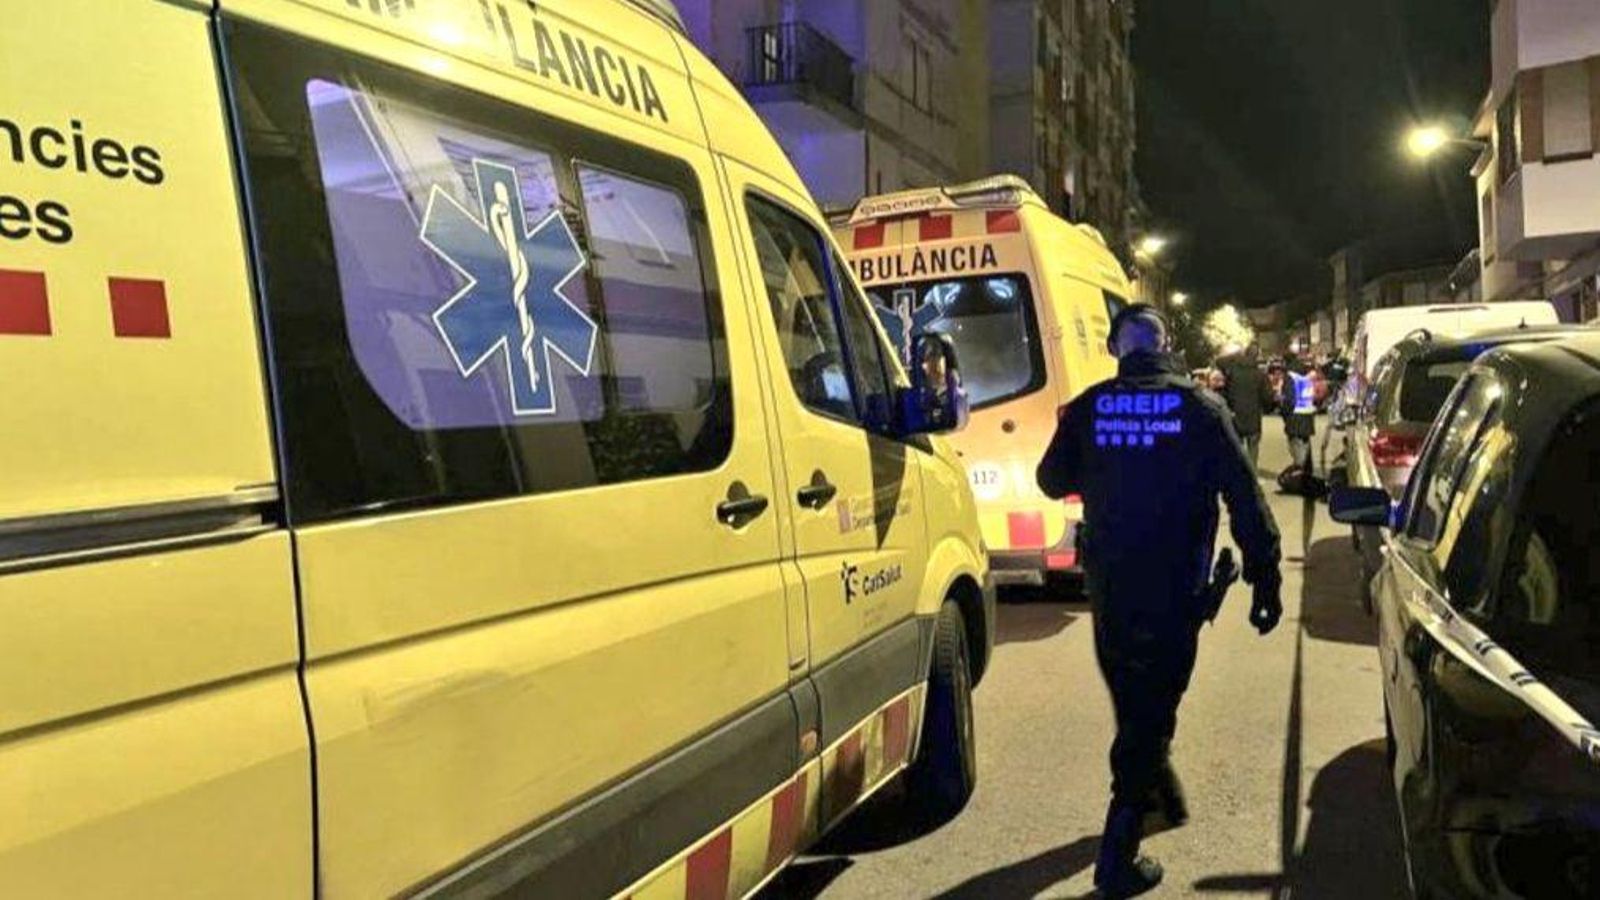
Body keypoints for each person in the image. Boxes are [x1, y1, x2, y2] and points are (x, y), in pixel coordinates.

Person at [1037, 304, 1283, 898]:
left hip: (1112, 588)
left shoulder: (1092, 406)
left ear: (1116, 347)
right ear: (1165, 342)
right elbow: (1245, 499)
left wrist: (1106, 470)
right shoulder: (1200, 407)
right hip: (1176, 588)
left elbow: (1050, 480)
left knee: (1135, 700)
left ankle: (1152, 790)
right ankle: (1117, 854)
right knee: (1153, 708)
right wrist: (1265, 577)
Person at [1217, 345, 1274, 469]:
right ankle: (1252, 475)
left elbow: (1219, 362)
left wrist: (1236, 354)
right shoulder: (1260, 374)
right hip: (1254, 418)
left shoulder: (1233, 372)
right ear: (1257, 357)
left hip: (1236, 416)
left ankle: (1239, 475)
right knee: (1253, 449)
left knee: (1237, 449)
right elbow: (1268, 396)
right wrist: (1268, 408)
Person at [1281, 353, 1318, 480]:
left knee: (1296, 448)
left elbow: (1290, 400)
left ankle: (1300, 476)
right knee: (1305, 444)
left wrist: (1283, 411)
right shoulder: (1305, 373)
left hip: (1295, 417)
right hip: (1306, 415)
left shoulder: (1290, 376)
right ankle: (1307, 472)